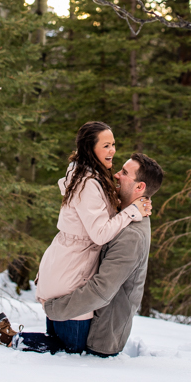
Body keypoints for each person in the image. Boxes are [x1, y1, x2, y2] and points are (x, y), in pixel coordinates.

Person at [15, 121, 152, 354]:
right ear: (91, 149)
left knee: (63, 345)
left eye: (113, 144)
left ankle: (10, 337)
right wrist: (131, 211)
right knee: (71, 350)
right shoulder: (88, 182)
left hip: (70, 262)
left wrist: (131, 204)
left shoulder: (90, 173)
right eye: (106, 145)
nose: (113, 151)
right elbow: (99, 234)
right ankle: (10, 339)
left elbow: (98, 208)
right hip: (72, 268)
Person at [42, 152, 163, 357]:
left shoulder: (132, 235)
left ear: (140, 187)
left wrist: (56, 309)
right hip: (81, 313)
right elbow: (80, 195)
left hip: (97, 337)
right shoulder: (120, 212)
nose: (116, 174)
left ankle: (7, 338)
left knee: (50, 360)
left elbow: (102, 291)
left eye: (124, 172)